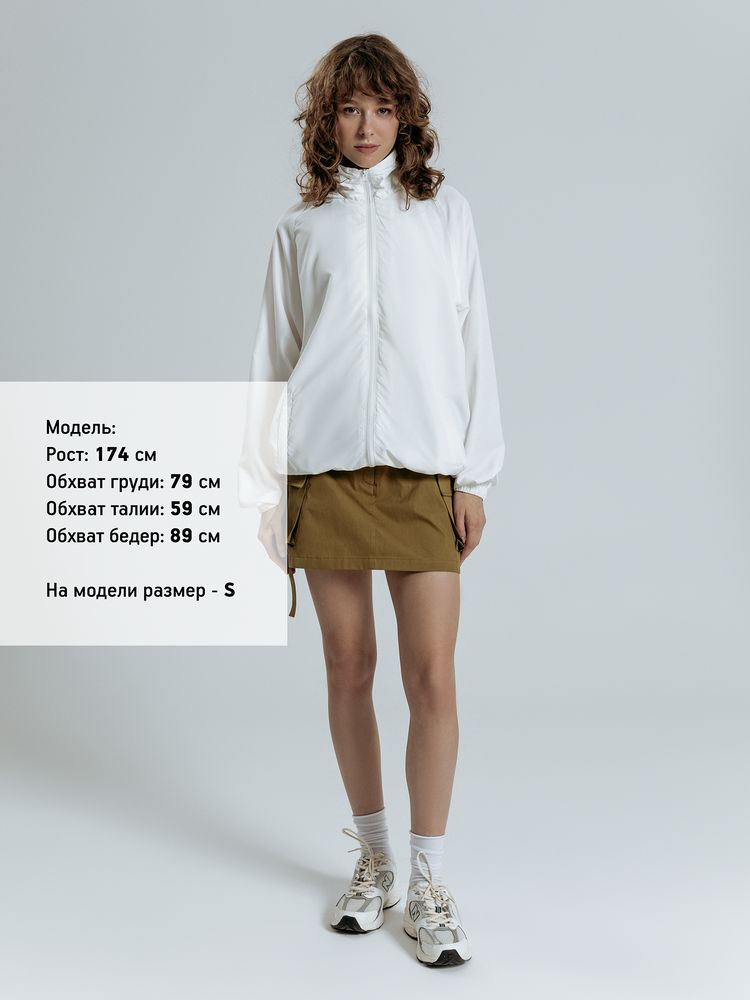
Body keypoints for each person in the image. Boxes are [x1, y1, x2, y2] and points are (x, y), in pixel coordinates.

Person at [239, 33, 505, 968]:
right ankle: (376, 861)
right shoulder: (299, 228)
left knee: (432, 678)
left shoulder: (445, 214)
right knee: (348, 668)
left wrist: (475, 476)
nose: (365, 126)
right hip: (325, 474)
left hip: (424, 470)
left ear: (406, 117)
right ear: (327, 120)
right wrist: (266, 491)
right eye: (349, 108)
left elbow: (474, 345)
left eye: (382, 108)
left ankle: (429, 880)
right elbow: (273, 362)